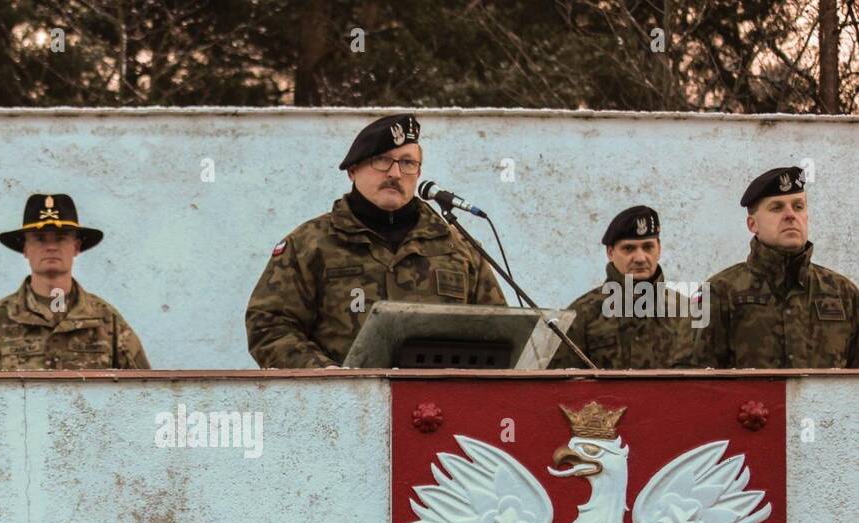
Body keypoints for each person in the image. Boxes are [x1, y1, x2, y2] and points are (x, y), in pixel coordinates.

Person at [244, 113, 505, 369]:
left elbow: (498, 330)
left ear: (418, 173)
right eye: (382, 160)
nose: (395, 173)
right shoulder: (310, 244)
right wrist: (324, 374)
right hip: (344, 404)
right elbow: (268, 325)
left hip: (440, 405)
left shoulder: (457, 247)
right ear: (353, 170)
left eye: (407, 163)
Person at [0, 194, 150, 370]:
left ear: (76, 247)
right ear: (25, 248)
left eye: (60, 238)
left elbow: (146, 394)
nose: (51, 247)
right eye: (40, 238)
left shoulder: (107, 322)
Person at [698, 166, 858, 368]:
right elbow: (695, 384)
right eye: (777, 207)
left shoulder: (844, 294)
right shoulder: (717, 293)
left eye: (798, 206)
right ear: (752, 224)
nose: (790, 215)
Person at [550, 205, 696, 369]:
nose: (640, 258)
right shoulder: (584, 314)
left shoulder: (686, 311)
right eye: (629, 248)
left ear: (659, 250)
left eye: (648, 247)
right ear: (610, 253)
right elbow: (560, 385)